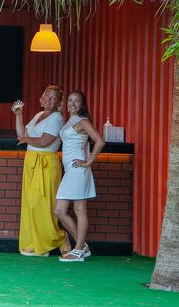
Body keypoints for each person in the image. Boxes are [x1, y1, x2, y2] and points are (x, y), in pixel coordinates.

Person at [13, 84, 69, 257]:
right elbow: (21, 134)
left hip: (46, 163)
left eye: (54, 98)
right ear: (41, 97)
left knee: (43, 205)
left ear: (59, 103)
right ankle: (35, 243)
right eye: (47, 96)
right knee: (31, 204)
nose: (49, 100)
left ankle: (59, 238)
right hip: (31, 161)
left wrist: (26, 139)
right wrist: (19, 115)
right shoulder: (39, 115)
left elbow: (45, 142)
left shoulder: (57, 118)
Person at [54, 91, 105, 262]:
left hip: (78, 170)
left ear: (82, 105)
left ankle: (77, 251)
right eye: (70, 100)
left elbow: (100, 141)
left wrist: (88, 161)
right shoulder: (70, 120)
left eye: (77, 101)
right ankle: (82, 247)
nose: (73, 104)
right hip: (70, 171)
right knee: (59, 211)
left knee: (79, 210)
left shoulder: (83, 121)